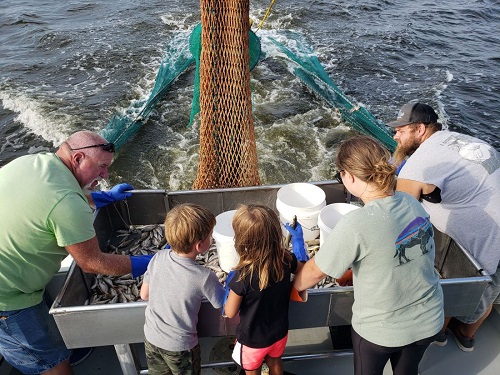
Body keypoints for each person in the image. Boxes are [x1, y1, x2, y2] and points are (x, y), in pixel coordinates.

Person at [0, 130, 152, 375]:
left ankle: (61, 345)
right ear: (79, 158)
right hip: (7, 297)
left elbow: (50, 196)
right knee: (52, 366)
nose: (105, 175)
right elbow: (92, 262)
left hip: (13, 266)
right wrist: (149, 263)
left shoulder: (33, 162)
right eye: (101, 167)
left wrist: (99, 198)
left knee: (47, 329)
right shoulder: (66, 202)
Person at [293, 135, 444, 375]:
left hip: (381, 330)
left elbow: (314, 272)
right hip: (430, 319)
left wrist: (291, 287)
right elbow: (389, 249)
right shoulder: (410, 201)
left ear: (349, 177)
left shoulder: (355, 223)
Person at [388, 101, 500, 352]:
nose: (395, 135)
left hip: (483, 244)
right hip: (494, 229)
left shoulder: (421, 163)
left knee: (458, 291)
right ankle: (466, 335)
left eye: (400, 130)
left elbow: (398, 217)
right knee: (488, 294)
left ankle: (441, 333)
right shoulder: (456, 139)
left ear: (419, 129)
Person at [140, 203, 225, 375]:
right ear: (200, 245)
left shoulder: (158, 257)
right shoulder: (204, 276)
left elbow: (144, 294)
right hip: (180, 347)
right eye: (210, 235)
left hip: (151, 338)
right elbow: (222, 304)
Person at [223, 204, 305, 375]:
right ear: (275, 233)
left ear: (241, 239)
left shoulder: (242, 276)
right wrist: (298, 242)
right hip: (279, 333)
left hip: (253, 341)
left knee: (252, 370)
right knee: (275, 362)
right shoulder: (285, 259)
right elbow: (302, 268)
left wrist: (228, 290)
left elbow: (230, 312)